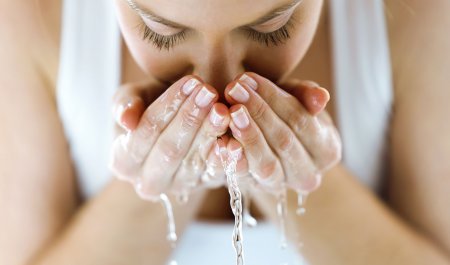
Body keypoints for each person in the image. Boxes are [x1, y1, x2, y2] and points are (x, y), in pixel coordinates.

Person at [1, 0, 450, 264]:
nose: (219, 86)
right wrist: (154, 185)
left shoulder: (416, 15)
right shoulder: (31, 17)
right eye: (161, 32)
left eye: (272, 28)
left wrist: (293, 176)